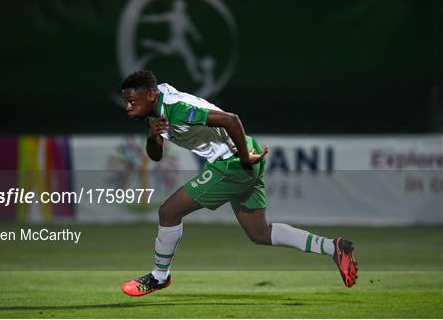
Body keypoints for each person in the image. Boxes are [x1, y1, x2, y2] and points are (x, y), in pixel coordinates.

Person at [119, 70, 358, 296]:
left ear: (151, 95)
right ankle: (333, 247)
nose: (128, 107)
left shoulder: (176, 108)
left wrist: (244, 158)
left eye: (132, 101)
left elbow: (231, 120)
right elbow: (156, 156)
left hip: (233, 163)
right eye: (126, 102)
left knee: (168, 212)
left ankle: (159, 276)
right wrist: (152, 136)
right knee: (259, 232)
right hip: (243, 156)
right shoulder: (154, 107)